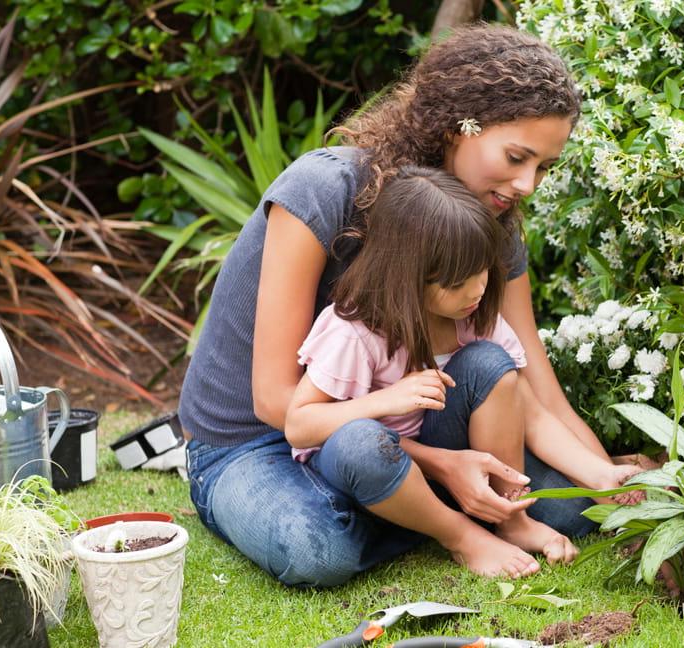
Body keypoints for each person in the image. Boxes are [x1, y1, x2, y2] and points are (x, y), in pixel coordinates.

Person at [179, 24, 639, 586]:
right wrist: (445, 464)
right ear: (457, 125)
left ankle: (408, 507)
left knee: (567, 510)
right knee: (315, 550)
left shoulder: (494, 226)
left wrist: (611, 493)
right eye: (517, 156)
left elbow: (535, 387)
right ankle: (443, 520)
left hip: (405, 423)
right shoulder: (324, 192)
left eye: (543, 167)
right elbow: (280, 405)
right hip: (261, 442)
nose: (528, 185)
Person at [283, 166, 641, 577]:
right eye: (457, 284)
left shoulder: (475, 317)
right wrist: (385, 400)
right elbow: (298, 425)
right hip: (375, 476)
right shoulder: (357, 331)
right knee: (363, 444)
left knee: (573, 514)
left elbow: (533, 415)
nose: (476, 292)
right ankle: (461, 537)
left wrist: (601, 475)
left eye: (482, 274)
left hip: (456, 459)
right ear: (407, 276)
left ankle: (510, 519)